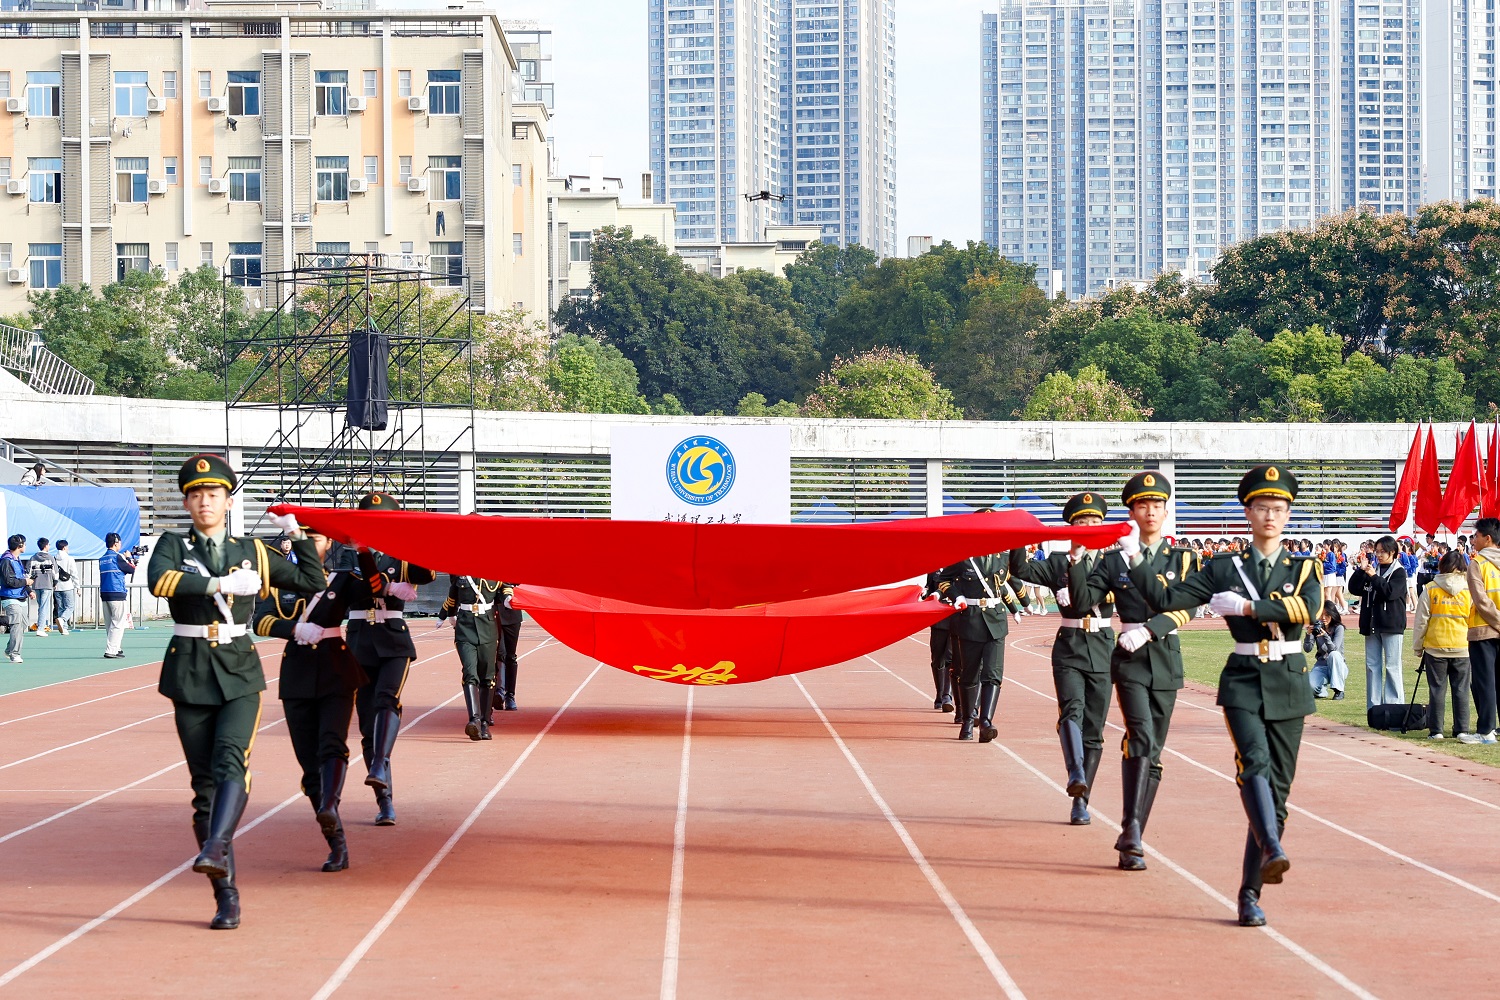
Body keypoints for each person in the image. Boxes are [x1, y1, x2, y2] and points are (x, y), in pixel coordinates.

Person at [1131, 464, 1321, 928]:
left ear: (1288, 515)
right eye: (1262, 508)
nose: (1270, 516)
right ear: (1247, 512)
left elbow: (1307, 608)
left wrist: (1251, 606)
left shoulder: (1304, 567)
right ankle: (1272, 846)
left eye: (1278, 509)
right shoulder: (1222, 567)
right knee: (1253, 762)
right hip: (1243, 679)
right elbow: (1169, 598)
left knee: (1278, 793)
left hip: (1291, 677)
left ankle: (1249, 892)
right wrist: (1136, 562)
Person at [147, 454, 324, 930]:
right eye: (196, 494)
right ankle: (226, 892)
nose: (205, 501)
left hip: (240, 672)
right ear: (187, 501)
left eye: (214, 494)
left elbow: (311, 582)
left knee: (231, 760)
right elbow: (160, 582)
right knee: (203, 788)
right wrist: (218, 583)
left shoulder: (255, 550)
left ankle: (215, 847)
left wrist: (297, 536)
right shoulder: (172, 544)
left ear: (228, 501)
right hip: (190, 671)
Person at [1085, 472, 1197, 870]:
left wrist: (1151, 630)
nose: (1150, 511)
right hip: (1129, 661)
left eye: (1157, 505)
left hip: (1164, 657)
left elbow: (1189, 607)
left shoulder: (1183, 558)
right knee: (1141, 736)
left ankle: (1133, 832)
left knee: (1155, 751)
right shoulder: (1114, 557)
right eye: (1142, 505)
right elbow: (1086, 596)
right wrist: (1076, 553)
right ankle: (1131, 831)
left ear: (1166, 511)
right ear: (1131, 511)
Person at [254, 528, 363, 872]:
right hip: (297, 675)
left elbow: (373, 593)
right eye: (304, 538)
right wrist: (293, 630)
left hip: (335, 669)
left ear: (329, 543)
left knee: (333, 744)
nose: (310, 544)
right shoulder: (282, 579)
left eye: (316, 538)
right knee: (309, 765)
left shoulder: (341, 578)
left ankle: (331, 809)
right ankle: (336, 839)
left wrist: (362, 552)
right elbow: (261, 619)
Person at [1008, 492, 1115, 825]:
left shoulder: (1115, 564)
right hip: (1069, 646)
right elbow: (1020, 568)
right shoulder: (1057, 562)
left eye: (1094, 522)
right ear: (1071, 527)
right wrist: (1024, 534)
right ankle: (1076, 773)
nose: (1088, 527)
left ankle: (1082, 801)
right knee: (1072, 710)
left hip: (1102, 647)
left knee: (1095, 731)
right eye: (1082, 523)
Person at [345, 491, 435, 825]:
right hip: (359, 643)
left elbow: (427, 573)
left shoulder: (403, 554)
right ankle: (384, 800)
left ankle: (380, 764)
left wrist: (411, 544)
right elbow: (370, 583)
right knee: (368, 723)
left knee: (387, 700)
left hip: (394, 641)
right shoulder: (347, 551)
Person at [934, 528, 1021, 742]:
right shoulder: (963, 557)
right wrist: (957, 595)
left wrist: (1019, 606)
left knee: (993, 674)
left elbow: (1009, 584)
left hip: (996, 620)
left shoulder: (1003, 557)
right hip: (970, 619)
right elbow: (943, 581)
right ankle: (967, 720)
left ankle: (986, 721)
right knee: (969, 674)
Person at [1412, 550, 1477, 742]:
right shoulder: (1469, 589)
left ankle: (1436, 730)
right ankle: (1462, 729)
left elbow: (1421, 621)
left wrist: (1418, 646)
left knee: (1437, 690)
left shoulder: (1431, 588)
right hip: (1462, 646)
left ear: (1442, 566)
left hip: (1436, 646)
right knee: (1461, 690)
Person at [436, 572, 503, 740]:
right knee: (469, 672)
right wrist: (446, 615)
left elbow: (506, 592)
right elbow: (452, 596)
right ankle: (474, 720)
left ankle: (485, 723)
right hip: (465, 628)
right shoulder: (460, 573)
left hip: (487, 627)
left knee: (488, 678)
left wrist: (510, 600)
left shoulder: (497, 573)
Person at [1348, 536, 1408, 709]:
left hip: (1391, 625)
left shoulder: (1399, 572)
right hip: (1372, 624)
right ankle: (1373, 708)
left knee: (1392, 666)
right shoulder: (1372, 570)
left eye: (1383, 552)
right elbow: (1353, 588)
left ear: (1393, 553)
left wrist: (1374, 577)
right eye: (1377, 551)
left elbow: (1390, 593)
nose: (1379, 555)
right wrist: (1361, 571)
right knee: (1372, 666)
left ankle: (1393, 707)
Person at [1467, 518, 1500, 745]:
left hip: (1483, 631)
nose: (1473, 540)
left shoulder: (1477, 563)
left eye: (1476, 536)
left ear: (1487, 538)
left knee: (1485, 682)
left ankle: (1486, 730)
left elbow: (1481, 601)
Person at [99, 533, 137, 659]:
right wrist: (130, 558)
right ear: (116, 543)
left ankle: (116, 648)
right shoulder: (118, 557)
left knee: (110, 624)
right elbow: (131, 569)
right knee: (118, 623)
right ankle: (111, 650)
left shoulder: (102, 558)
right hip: (117, 593)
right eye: (120, 542)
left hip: (105, 594)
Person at [920, 571, 955, 712]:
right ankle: (940, 693)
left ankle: (947, 695)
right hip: (939, 620)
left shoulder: (959, 567)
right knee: (937, 658)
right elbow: (929, 589)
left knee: (950, 656)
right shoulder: (934, 571)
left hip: (955, 616)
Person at [1307, 602, 1348, 701]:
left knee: (1334, 654)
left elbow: (1334, 649)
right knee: (1308, 687)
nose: (1323, 618)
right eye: (1321, 614)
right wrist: (1308, 635)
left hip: (1337, 666)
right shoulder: (1316, 627)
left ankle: (1339, 690)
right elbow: (1307, 649)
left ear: (1333, 615)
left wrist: (1325, 636)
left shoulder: (1339, 628)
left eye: (1327, 615)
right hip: (1321, 666)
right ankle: (1321, 691)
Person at [1, 535, 30, 663]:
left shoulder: (17, 560)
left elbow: (21, 577)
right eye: (24, 544)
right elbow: (9, 581)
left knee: (23, 624)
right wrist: (26, 581)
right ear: (20, 545)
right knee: (16, 624)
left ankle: (9, 649)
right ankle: (14, 653)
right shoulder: (6, 561)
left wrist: (29, 589)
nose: (25, 546)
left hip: (21, 596)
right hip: (10, 597)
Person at [494, 582, 523, 713]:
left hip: (512, 612)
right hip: (495, 613)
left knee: (511, 656)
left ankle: (510, 695)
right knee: (499, 654)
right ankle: (498, 691)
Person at [27, 538, 56, 637]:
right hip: (47, 584)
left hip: (36, 584)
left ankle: (40, 625)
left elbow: (28, 572)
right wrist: (55, 581)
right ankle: (40, 628)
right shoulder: (50, 558)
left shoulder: (33, 558)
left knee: (41, 606)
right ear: (46, 546)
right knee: (44, 606)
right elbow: (55, 572)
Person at [52, 539, 76, 635]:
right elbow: (74, 573)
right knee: (70, 606)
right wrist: (77, 586)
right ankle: (63, 620)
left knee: (61, 607)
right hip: (67, 585)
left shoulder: (53, 558)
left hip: (57, 586)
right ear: (64, 547)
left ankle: (64, 628)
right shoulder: (69, 558)